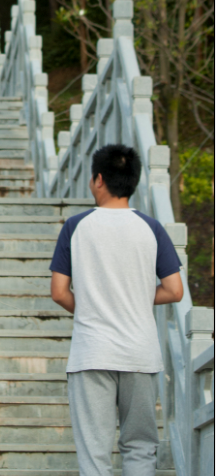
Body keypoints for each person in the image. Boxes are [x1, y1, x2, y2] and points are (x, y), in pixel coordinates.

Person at [49, 144, 183, 476]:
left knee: (94, 454)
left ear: (97, 179)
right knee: (140, 447)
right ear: (133, 181)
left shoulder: (76, 226)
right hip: (139, 354)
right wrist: (133, 296)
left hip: (92, 353)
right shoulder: (151, 228)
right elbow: (174, 290)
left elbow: (59, 292)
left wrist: (96, 303)